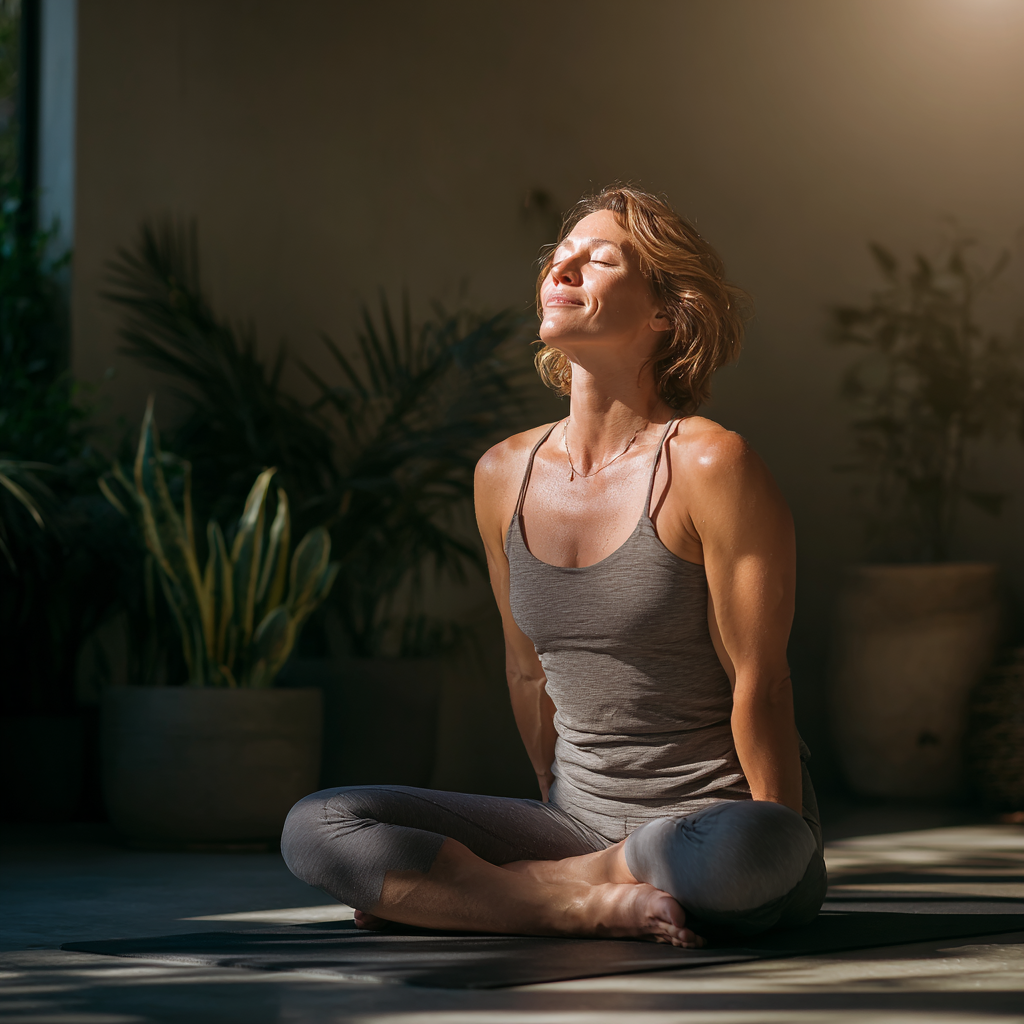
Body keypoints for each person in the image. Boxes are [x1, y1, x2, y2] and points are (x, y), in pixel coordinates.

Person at [281, 185, 826, 947]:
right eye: (557, 258)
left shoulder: (709, 462)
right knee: (318, 825)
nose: (562, 270)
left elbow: (759, 683)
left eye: (597, 260)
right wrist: (555, 819)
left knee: (748, 856)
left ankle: (485, 897)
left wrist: (781, 844)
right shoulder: (502, 473)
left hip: (709, 824)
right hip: (574, 823)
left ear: (666, 314)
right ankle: (573, 901)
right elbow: (526, 669)